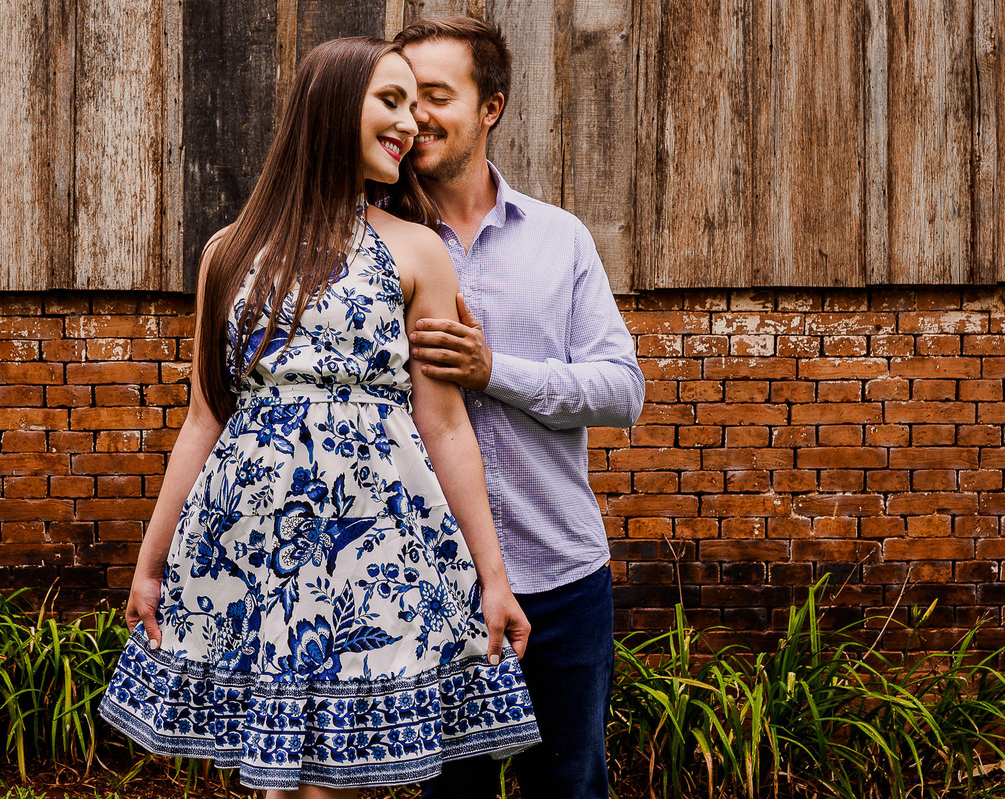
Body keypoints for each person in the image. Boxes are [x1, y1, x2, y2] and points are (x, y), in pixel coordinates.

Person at [98, 37, 540, 796]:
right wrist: (150, 560)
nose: (410, 124)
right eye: (390, 101)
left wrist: (493, 579)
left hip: (368, 548)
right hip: (251, 546)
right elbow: (205, 417)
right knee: (277, 778)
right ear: (333, 106)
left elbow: (445, 425)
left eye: (417, 104)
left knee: (332, 781)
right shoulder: (228, 253)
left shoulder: (414, 251)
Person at [393, 18, 646, 799]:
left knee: (570, 788)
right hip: (434, 584)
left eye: (438, 96)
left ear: (491, 106)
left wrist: (494, 369)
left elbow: (621, 390)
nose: (416, 117)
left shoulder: (559, 239)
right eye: (403, 98)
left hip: (562, 580)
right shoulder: (375, 248)